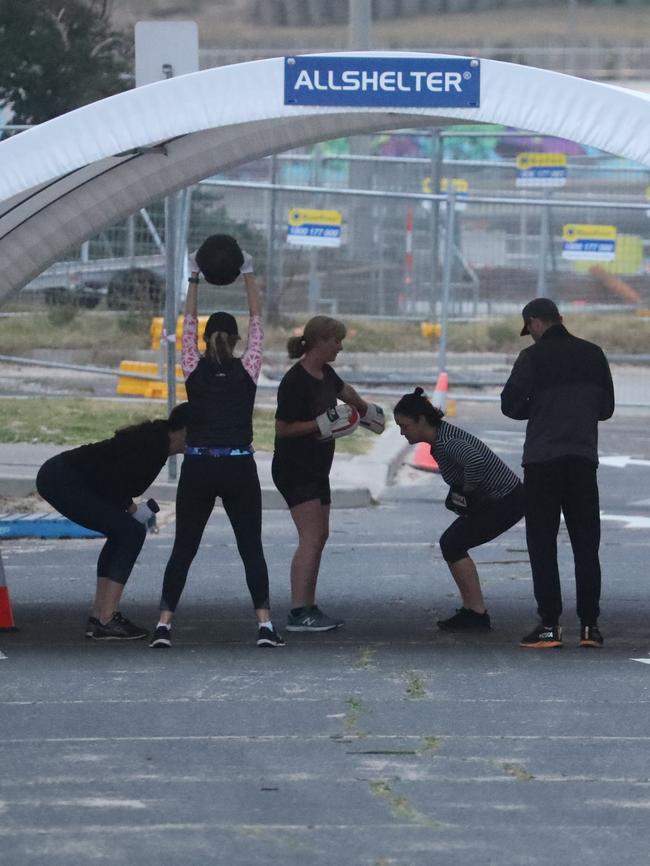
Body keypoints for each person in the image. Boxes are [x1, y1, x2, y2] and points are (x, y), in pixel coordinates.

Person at [150, 239, 284, 649]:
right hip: (239, 465)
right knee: (250, 548)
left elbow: (185, 323)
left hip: (198, 465)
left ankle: (164, 625)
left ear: (205, 339)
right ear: (239, 339)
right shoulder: (249, 368)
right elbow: (258, 317)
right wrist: (246, 272)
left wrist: (193, 275)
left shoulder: (192, 367)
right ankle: (264, 625)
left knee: (184, 547)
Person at [501, 297, 615, 649]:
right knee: (586, 543)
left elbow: (509, 405)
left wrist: (538, 409)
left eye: (529, 329)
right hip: (582, 459)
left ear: (534, 322)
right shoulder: (594, 354)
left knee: (542, 542)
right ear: (560, 319)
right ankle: (589, 628)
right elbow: (606, 409)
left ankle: (549, 625)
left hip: (542, 460)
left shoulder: (531, 358)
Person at [36, 403, 190, 640]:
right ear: (185, 431)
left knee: (123, 532)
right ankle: (107, 617)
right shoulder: (152, 447)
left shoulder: (156, 441)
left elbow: (115, 479)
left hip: (70, 477)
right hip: (63, 479)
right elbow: (111, 479)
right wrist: (130, 509)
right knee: (131, 533)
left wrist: (131, 509)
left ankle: (99, 616)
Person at [272, 315, 385, 632]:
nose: (340, 346)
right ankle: (298, 612)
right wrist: (320, 423)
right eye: (336, 340)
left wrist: (365, 410)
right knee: (310, 537)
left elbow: (344, 391)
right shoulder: (295, 381)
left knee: (319, 535)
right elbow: (282, 428)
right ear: (320, 341)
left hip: (318, 466)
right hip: (295, 467)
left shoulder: (326, 373)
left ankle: (308, 605)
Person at [393, 387, 524, 631]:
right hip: (505, 499)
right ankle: (473, 610)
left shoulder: (446, 441)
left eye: (404, 426)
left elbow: (474, 460)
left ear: (421, 420)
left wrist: (467, 490)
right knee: (453, 543)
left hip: (507, 500)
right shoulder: (440, 437)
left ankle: (476, 613)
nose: (402, 432)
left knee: (452, 543)